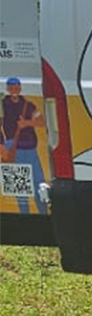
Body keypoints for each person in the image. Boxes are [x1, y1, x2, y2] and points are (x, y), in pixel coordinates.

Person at [2, 77, 47, 214]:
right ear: (8, 89)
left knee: (39, 183)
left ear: (20, 88)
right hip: (13, 148)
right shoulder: (2, 104)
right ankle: (24, 215)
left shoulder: (28, 105)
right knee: (20, 186)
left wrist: (27, 123)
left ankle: (43, 213)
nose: (14, 90)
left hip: (30, 148)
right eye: (11, 87)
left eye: (16, 87)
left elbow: (42, 121)